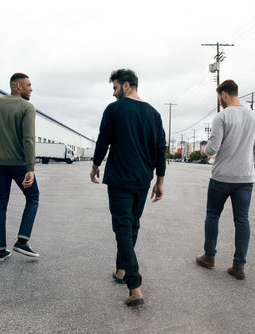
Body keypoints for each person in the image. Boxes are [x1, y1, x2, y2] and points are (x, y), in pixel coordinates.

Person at [90, 69, 166, 306]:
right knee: (132, 224)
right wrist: (160, 181)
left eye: (114, 88)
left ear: (125, 85)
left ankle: (134, 286)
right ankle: (121, 269)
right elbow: (160, 149)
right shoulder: (153, 114)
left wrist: (94, 165)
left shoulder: (114, 110)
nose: (113, 94)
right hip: (142, 181)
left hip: (120, 179)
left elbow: (103, 140)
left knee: (123, 227)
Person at [195, 79, 255, 280]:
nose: (220, 101)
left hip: (222, 177)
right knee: (242, 220)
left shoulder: (222, 117)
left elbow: (212, 148)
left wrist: (203, 150)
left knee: (213, 215)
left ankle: (209, 257)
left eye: (219, 97)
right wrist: (246, 163)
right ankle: (239, 266)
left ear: (224, 94)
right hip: (245, 177)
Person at [0, 72, 40, 262]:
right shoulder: (27, 107)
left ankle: (1, 251)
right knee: (33, 197)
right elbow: (28, 139)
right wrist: (30, 168)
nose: (31, 88)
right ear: (18, 86)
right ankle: (22, 241)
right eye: (29, 85)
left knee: (1, 203)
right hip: (19, 164)